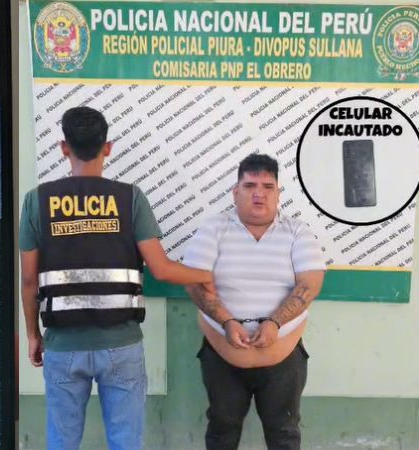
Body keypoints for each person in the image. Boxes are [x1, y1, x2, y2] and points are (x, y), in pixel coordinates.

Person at [19, 106, 214, 450]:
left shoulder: (37, 201)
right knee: (126, 443)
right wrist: (207, 275)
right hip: (121, 345)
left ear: (64, 147)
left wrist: (33, 334)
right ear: (107, 147)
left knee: (62, 443)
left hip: (63, 345)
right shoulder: (129, 198)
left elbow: (29, 281)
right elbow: (161, 269)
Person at [183, 153, 326, 450]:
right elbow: (194, 282)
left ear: (278, 193)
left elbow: (310, 284)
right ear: (236, 192)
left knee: (284, 434)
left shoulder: (297, 231)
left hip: (284, 358)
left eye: (267, 186)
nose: (259, 193)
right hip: (222, 356)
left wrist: (275, 323)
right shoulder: (213, 228)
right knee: (221, 432)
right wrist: (226, 321)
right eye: (249, 186)